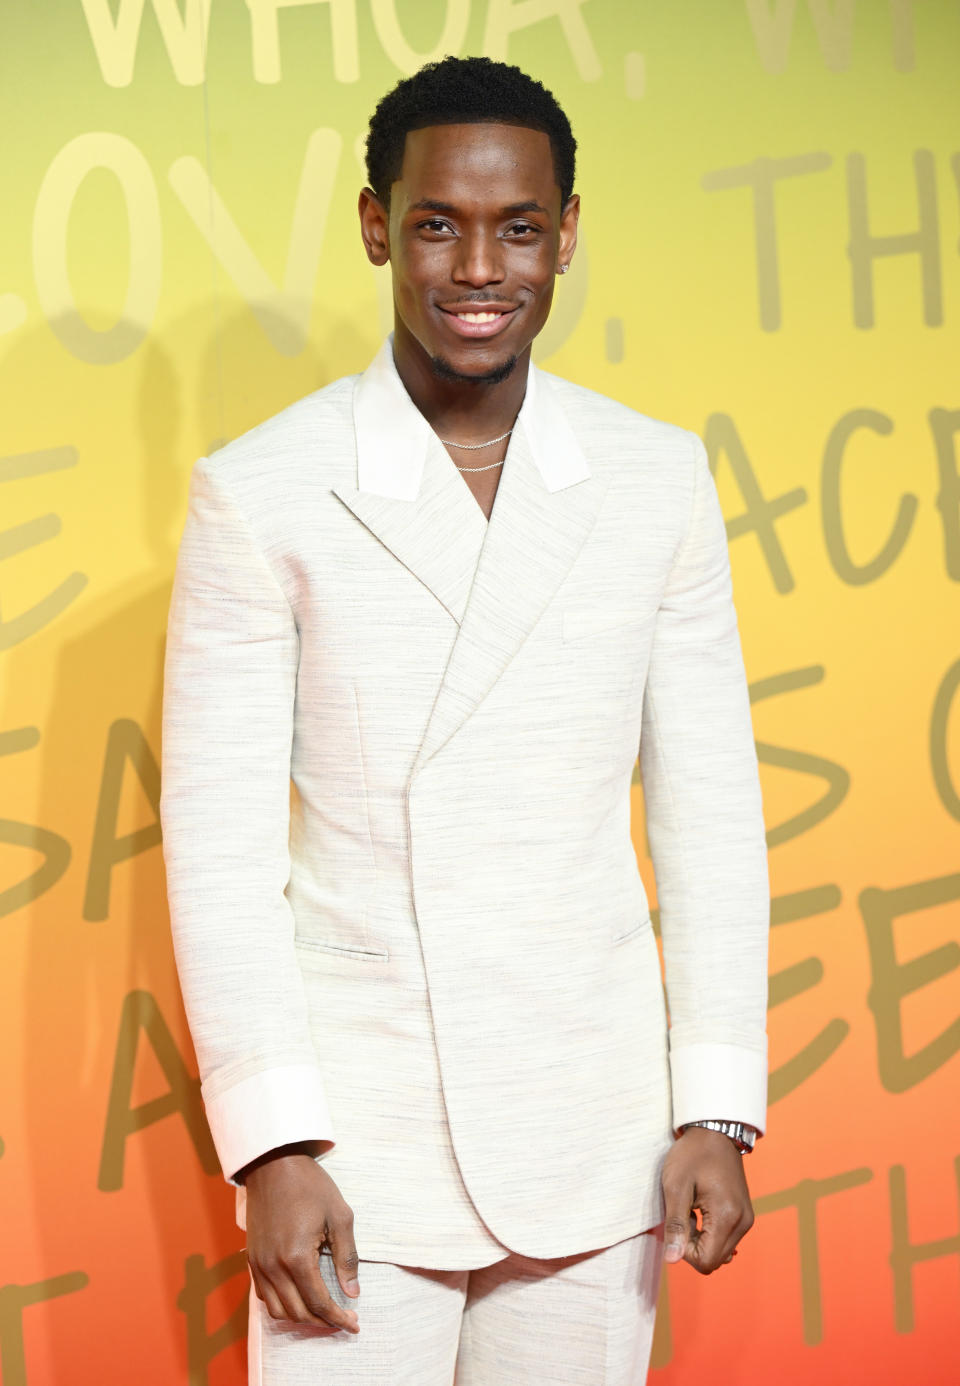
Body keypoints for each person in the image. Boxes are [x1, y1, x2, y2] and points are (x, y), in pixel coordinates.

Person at [159, 54, 770, 1386]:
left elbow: (710, 811)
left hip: (593, 1133)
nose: (478, 265)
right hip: (354, 1142)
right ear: (379, 224)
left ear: (566, 234)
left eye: (518, 227)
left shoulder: (653, 477)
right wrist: (274, 1144)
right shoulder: (262, 491)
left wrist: (715, 1104)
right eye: (438, 223)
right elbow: (214, 849)